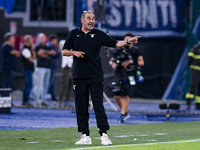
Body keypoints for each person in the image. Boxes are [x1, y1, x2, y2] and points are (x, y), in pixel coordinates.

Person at [62, 10, 140, 145]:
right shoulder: (74, 34)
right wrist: (74, 52)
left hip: (95, 76)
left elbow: (115, 43)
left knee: (98, 105)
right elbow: (64, 51)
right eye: (88, 18)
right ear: (82, 20)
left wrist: (128, 41)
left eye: (92, 18)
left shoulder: (98, 34)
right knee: (81, 106)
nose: (91, 20)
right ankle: (85, 135)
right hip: (79, 76)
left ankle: (104, 134)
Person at [109, 32, 144, 123]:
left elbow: (141, 62)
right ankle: (124, 112)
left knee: (126, 94)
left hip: (130, 74)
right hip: (118, 73)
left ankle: (123, 114)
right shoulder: (119, 49)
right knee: (116, 95)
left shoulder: (135, 50)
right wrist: (113, 63)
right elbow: (111, 60)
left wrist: (131, 61)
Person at [35, 33, 56, 108]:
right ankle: (37, 100)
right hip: (41, 67)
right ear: (39, 39)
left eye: (43, 38)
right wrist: (47, 53)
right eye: (41, 38)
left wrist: (45, 52)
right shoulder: (37, 47)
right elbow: (40, 54)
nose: (42, 39)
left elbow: (53, 53)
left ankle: (43, 100)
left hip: (48, 67)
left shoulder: (47, 47)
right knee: (39, 85)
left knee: (45, 85)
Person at [21, 35, 35, 108]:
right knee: (29, 85)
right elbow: (31, 60)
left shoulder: (29, 49)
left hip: (29, 69)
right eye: (31, 40)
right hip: (27, 69)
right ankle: (25, 101)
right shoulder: (25, 49)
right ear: (28, 41)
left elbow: (34, 57)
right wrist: (33, 50)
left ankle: (25, 100)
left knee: (28, 85)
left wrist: (33, 50)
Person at [46, 34, 61, 107]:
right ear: (53, 40)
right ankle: (52, 98)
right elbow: (56, 54)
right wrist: (58, 50)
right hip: (49, 67)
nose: (56, 42)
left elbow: (58, 55)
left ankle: (53, 98)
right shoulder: (49, 46)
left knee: (51, 83)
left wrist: (58, 50)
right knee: (49, 83)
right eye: (56, 40)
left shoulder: (52, 46)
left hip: (52, 67)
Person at [58, 40, 73, 109]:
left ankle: (66, 100)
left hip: (72, 67)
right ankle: (60, 101)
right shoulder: (64, 43)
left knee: (70, 85)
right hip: (66, 67)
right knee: (65, 84)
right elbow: (60, 43)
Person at [185, 42, 200, 110]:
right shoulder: (195, 48)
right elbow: (189, 59)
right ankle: (188, 104)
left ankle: (198, 106)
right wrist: (191, 66)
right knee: (192, 86)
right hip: (195, 70)